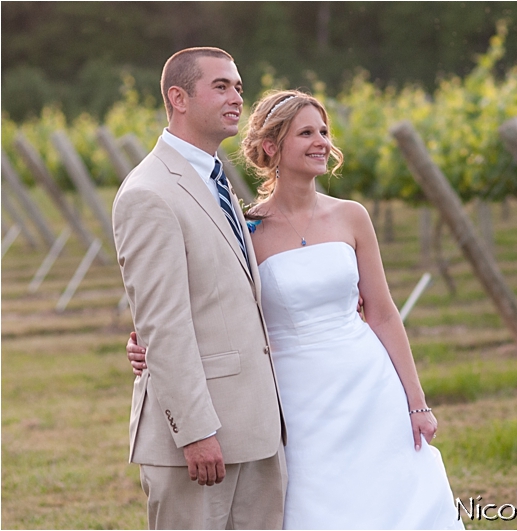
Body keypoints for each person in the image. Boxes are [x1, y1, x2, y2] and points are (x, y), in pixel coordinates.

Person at [128, 89, 464, 529]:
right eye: (306, 133)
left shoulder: (352, 217)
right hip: (294, 396)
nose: (321, 141)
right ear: (271, 147)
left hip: (369, 385)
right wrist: (147, 346)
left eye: (323, 132)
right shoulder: (247, 229)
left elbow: (383, 313)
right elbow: (209, 304)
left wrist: (416, 403)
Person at [113, 47, 286, 529]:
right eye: (221, 86)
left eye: (239, 87)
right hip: (201, 438)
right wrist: (194, 432)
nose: (237, 98)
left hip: (256, 428)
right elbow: (163, 324)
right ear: (178, 98)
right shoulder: (149, 192)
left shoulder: (216, 179)